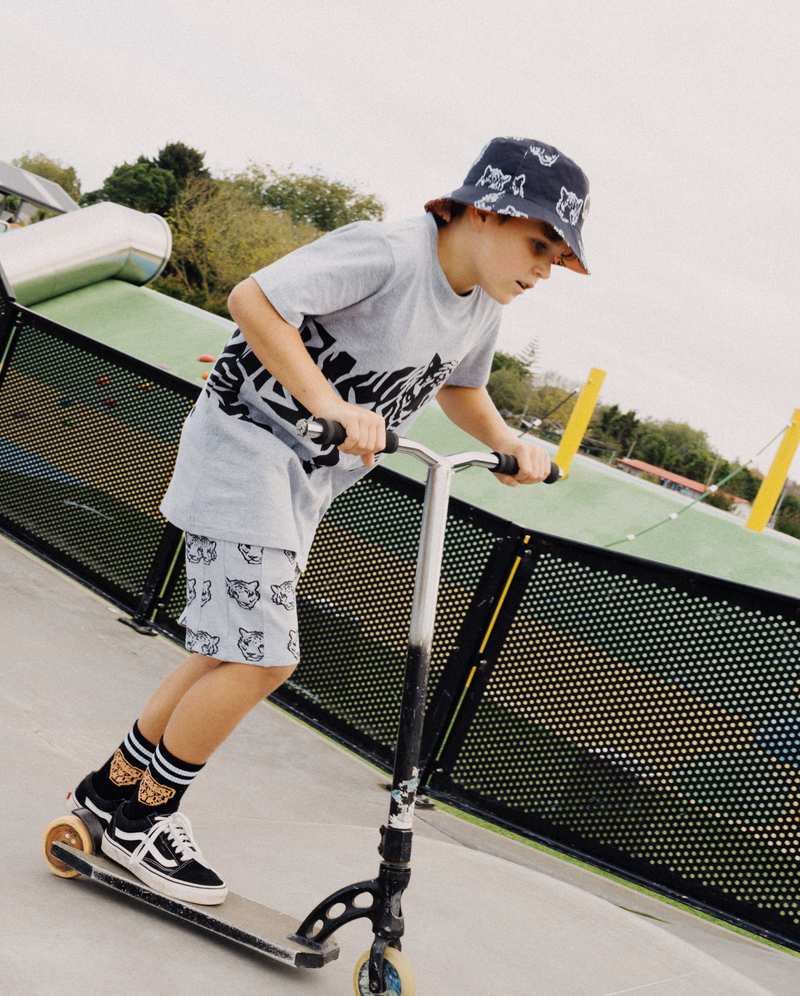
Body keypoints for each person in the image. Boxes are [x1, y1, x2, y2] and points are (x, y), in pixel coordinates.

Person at [69, 136, 591, 905]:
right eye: (539, 243)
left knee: (228, 650)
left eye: (558, 256)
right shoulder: (388, 253)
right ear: (484, 212)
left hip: (301, 483)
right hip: (243, 449)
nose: (545, 268)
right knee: (264, 659)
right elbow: (254, 298)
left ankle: (110, 791)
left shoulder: (481, 306)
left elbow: (459, 390)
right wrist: (328, 401)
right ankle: (146, 818)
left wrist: (509, 442)